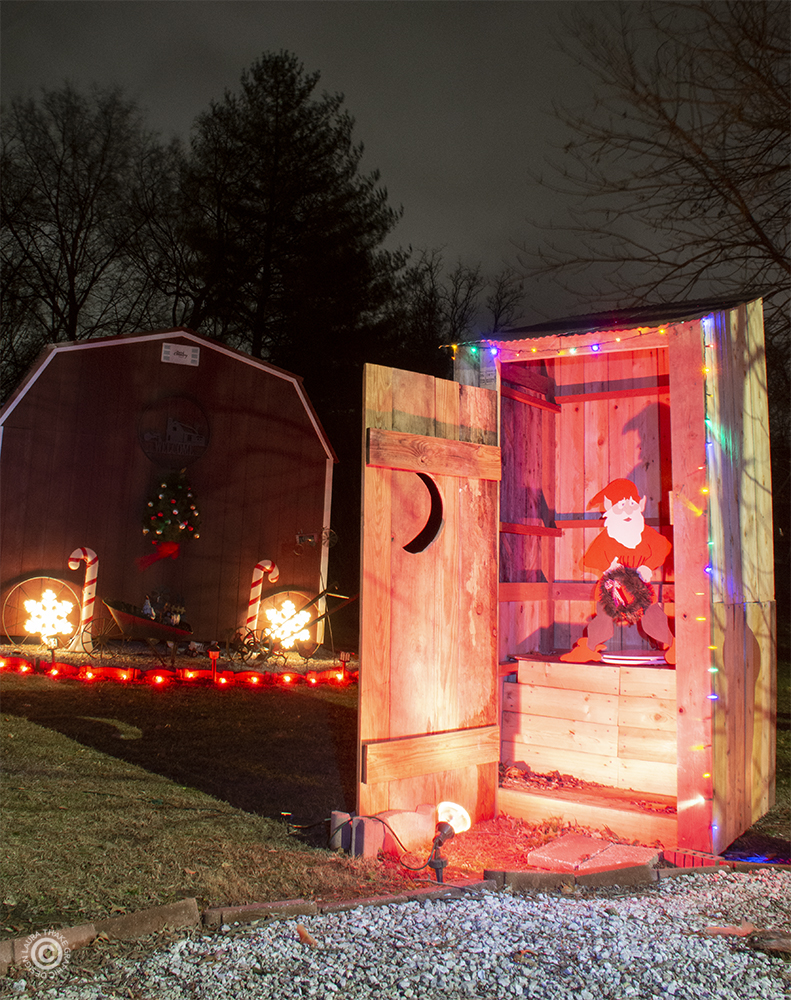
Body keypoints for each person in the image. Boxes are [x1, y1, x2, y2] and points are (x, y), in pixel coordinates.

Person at [561, 478, 675, 664]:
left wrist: (648, 565)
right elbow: (591, 558)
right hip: (611, 589)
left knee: (653, 618)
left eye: (631, 503)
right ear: (609, 507)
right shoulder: (608, 537)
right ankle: (589, 648)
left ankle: (672, 645)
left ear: (640, 505)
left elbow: (662, 547)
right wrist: (609, 567)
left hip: (640, 587)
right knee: (603, 620)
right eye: (621, 504)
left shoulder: (646, 534)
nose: (628, 510)